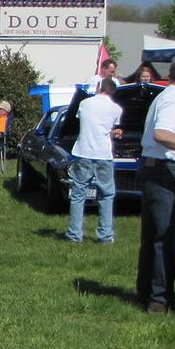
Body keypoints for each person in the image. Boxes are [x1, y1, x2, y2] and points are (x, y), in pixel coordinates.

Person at [136, 60, 175, 313]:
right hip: (163, 170)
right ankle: (159, 299)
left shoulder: (165, 95)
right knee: (164, 237)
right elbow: (163, 133)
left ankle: (147, 292)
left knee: (152, 236)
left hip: (151, 168)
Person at [66, 78, 122, 244]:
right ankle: (105, 235)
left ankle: (74, 234)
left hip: (83, 152)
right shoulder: (116, 109)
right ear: (113, 92)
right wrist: (115, 132)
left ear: (99, 88)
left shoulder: (85, 103)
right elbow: (105, 130)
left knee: (78, 195)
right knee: (106, 195)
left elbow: (84, 123)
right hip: (104, 155)